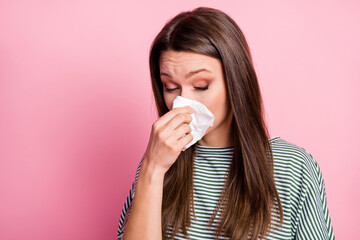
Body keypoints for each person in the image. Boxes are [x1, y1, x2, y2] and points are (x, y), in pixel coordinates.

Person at [117, 7, 335, 240]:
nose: (183, 102)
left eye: (201, 85)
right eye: (170, 87)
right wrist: (153, 168)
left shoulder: (293, 167)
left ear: (236, 81)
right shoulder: (158, 162)